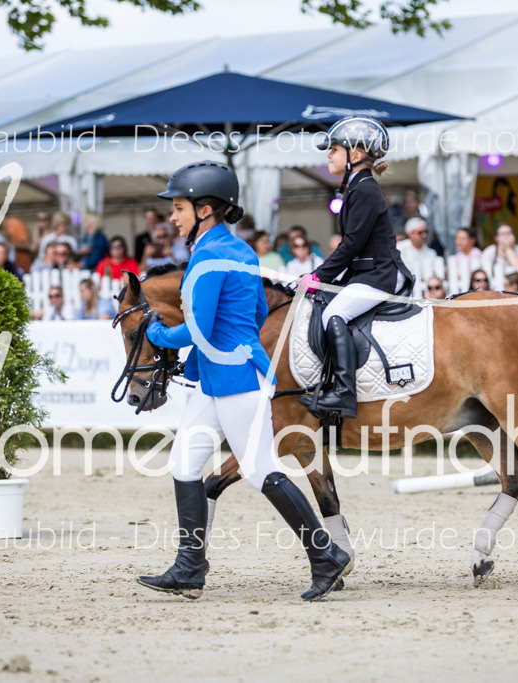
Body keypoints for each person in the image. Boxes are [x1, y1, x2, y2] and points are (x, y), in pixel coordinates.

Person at [137, 161, 352, 602]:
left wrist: (156, 333)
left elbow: (197, 328)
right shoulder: (240, 252)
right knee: (184, 463)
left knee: (259, 470)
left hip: (235, 380)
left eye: (178, 208)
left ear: (206, 209)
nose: (172, 217)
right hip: (220, 377)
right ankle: (189, 567)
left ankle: (326, 556)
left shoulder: (210, 256)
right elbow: (256, 314)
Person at [297, 116, 414, 417]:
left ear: (356, 155)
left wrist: (316, 276)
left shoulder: (364, 190)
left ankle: (344, 393)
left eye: (334, 149)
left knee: (334, 313)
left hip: (381, 275)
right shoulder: (357, 187)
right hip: (367, 273)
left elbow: (350, 245)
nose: (329, 155)